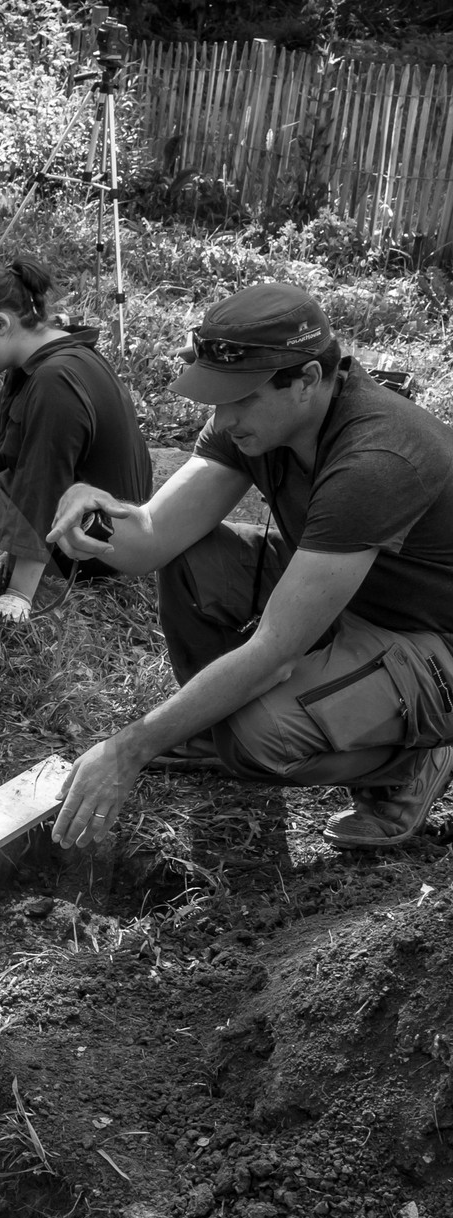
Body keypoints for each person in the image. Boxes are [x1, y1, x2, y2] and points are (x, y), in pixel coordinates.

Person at [48, 281, 453, 853]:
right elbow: (154, 540)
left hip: (431, 638)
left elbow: (273, 654)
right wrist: (93, 509)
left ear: (308, 380)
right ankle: (210, 726)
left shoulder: (377, 458)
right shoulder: (258, 425)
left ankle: (415, 760)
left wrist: (131, 748)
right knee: (195, 558)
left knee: (256, 737)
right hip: (349, 597)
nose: (224, 416)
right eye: (217, 397)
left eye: (240, 398)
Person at [0, 258, 151, 622]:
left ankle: (0, 574)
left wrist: (17, 594)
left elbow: (41, 486)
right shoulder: (34, 358)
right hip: (50, 515)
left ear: (1, 323)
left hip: (86, 544)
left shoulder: (54, 381)